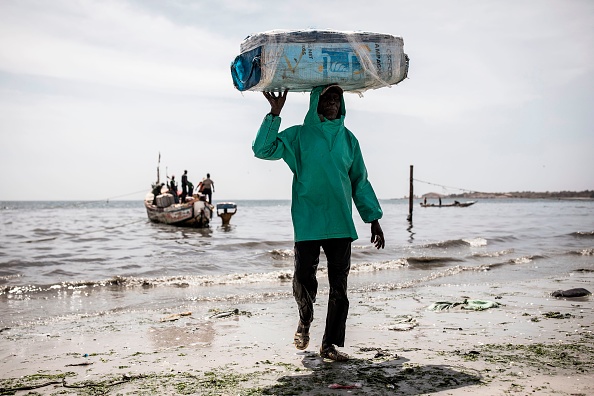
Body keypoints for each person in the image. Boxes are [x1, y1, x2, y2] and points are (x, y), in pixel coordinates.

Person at [253, 84, 385, 362]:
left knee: (340, 289)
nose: (333, 103)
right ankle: (305, 318)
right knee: (303, 279)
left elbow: (359, 180)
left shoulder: (349, 140)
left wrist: (373, 218)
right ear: (316, 102)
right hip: (308, 221)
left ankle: (329, 345)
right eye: (328, 98)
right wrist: (274, 115)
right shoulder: (299, 136)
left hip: (340, 223)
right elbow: (263, 150)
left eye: (337, 99)